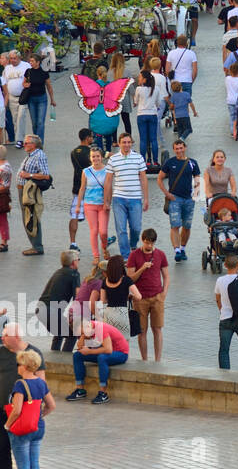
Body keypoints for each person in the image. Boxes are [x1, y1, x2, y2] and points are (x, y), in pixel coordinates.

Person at [5, 349, 52, 469]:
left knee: (23, 467)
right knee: (34, 466)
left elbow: (17, 410)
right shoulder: (41, 383)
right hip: (38, 428)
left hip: (22, 430)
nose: (17, 367)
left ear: (25, 366)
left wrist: (7, 425)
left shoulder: (20, 385)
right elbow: (52, 405)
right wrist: (39, 416)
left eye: (19, 364)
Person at [125, 228, 168, 361]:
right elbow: (130, 278)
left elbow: (166, 275)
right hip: (140, 298)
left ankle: (158, 360)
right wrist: (142, 268)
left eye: (151, 243)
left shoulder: (161, 254)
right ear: (142, 241)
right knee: (142, 331)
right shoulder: (134, 255)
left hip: (157, 297)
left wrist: (164, 293)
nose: (149, 246)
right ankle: (144, 360)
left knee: (157, 329)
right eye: (146, 243)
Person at [66, 318, 129, 405]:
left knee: (102, 358)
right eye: (79, 334)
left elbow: (108, 349)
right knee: (77, 355)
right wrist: (83, 336)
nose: (81, 335)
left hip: (121, 354)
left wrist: (89, 351)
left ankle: (103, 393)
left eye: (82, 333)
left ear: (87, 326)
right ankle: (80, 390)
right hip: (105, 352)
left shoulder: (100, 329)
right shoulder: (88, 329)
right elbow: (80, 346)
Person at [158, 139, 200, 262]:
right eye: (177, 148)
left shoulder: (192, 163)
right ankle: (176, 250)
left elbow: (197, 179)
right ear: (174, 149)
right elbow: (160, 179)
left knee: (187, 226)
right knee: (175, 225)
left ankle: (182, 248)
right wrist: (166, 193)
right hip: (175, 198)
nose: (179, 151)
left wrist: (196, 193)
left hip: (189, 199)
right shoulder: (169, 162)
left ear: (185, 148)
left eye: (181, 148)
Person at [37, 250, 82, 351]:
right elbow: (77, 297)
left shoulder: (58, 271)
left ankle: (55, 357)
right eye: (78, 260)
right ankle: (65, 361)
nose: (78, 262)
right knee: (73, 333)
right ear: (73, 262)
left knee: (59, 332)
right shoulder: (74, 274)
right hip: (51, 311)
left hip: (40, 309)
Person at [17, 135, 52, 255]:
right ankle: (35, 245)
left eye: (26, 143)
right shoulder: (32, 155)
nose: (24, 145)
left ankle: (37, 246)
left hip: (30, 191)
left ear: (34, 144)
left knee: (31, 216)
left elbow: (46, 175)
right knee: (27, 216)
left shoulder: (39, 155)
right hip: (23, 189)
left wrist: (29, 175)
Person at [76, 146, 110, 263]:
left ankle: (104, 247)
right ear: (90, 158)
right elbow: (82, 189)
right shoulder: (86, 171)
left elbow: (109, 188)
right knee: (94, 230)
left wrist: (107, 202)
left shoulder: (107, 171)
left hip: (102, 205)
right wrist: (78, 205)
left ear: (101, 157)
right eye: (93, 156)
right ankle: (96, 255)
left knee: (103, 231)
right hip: (89, 204)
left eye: (97, 156)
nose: (95, 159)